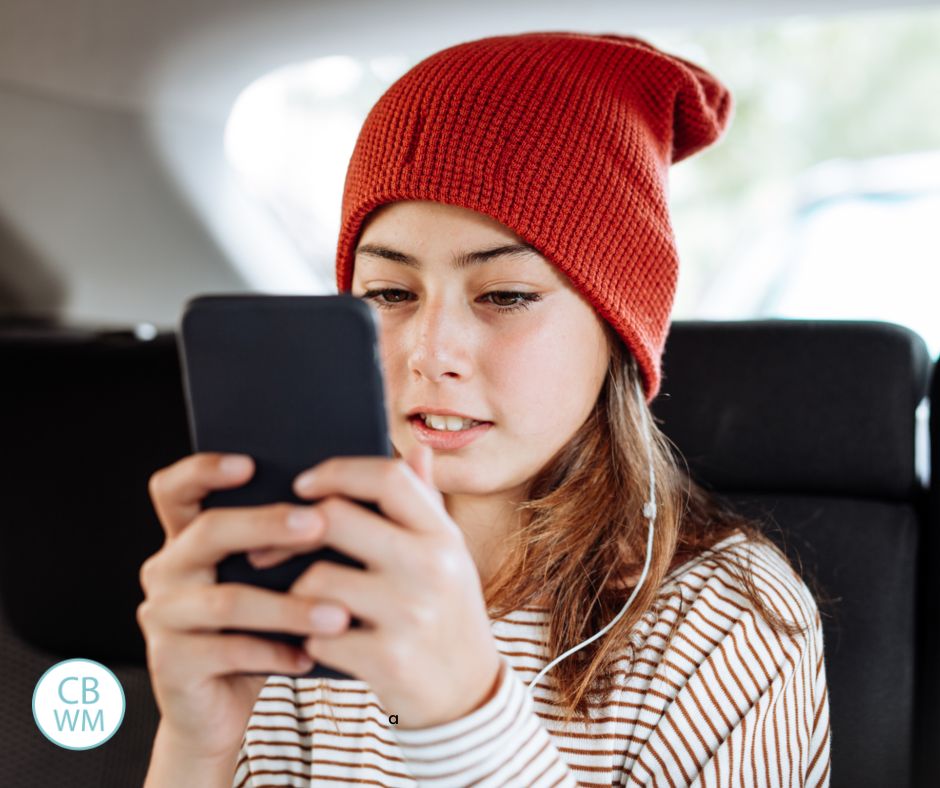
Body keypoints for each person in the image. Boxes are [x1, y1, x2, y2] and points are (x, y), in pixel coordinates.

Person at [139, 31, 832, 787]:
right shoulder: (310, 576)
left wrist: (464, 715)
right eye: (390, 295)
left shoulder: (725, 623)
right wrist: (195, 745)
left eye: (504, 295)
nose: (430, 351)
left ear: (618, 329)